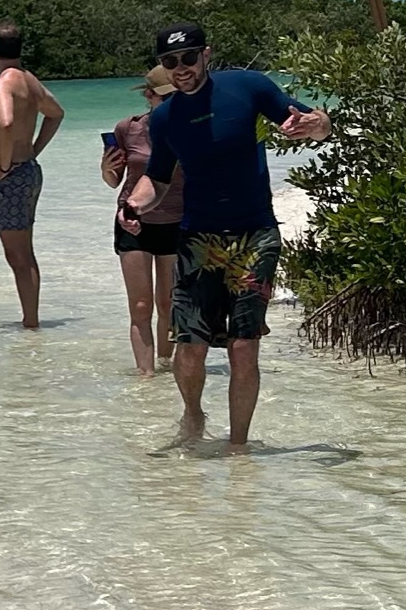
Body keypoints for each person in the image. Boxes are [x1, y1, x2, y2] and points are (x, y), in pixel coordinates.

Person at [120, 24, 330, 446]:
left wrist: (317, 123)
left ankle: (238, 448)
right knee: (190, 347)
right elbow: (157, 180)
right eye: (170, 62)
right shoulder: (165, 119)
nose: (180, 69)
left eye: (188, 58)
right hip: (199, 239)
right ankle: (194, 416)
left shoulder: (248, 87)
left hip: (256, 234)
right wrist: (134, 205)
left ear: (206, 55)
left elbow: (317, 124)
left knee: (243, 347)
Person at [0, 20, 63, 328]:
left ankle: (31, 321)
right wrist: (33, 149)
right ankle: (31, 319)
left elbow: (5, 122)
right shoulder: (30, 81)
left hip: (13, 175)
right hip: (27, 170)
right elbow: (56, 113)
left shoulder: (3, 82)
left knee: (18, 255)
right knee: (23, 251)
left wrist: (2, 164)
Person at [100, 65, 182, 372]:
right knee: (141, 306)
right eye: (166, 96)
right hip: (132, 222)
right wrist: (106, 168)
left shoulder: (191, 129)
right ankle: (146, 380)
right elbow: (113, 180)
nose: (174, 102)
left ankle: (166, 365)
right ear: (149, 96)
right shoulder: (127, 128)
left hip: (176, 222)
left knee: (168, 305)